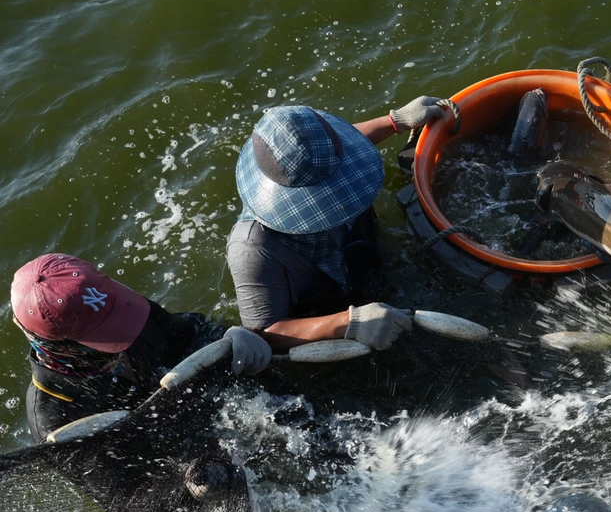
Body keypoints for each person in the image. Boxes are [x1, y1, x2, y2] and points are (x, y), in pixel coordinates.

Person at [226, 98, 445, 350]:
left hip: (362, 255)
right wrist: (347, 322)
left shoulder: (324, 157)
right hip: (325, 306)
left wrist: (395, 121)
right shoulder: (253, 247)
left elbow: (326, 154)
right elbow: (264, 331)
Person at [11, 253, 272, 441]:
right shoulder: (57, 420)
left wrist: (228, 339)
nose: (129, 333)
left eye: (113, 317)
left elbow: (192, 333)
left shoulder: (130, 312)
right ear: (59, 346)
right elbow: (123, 494)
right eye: (103, 333)